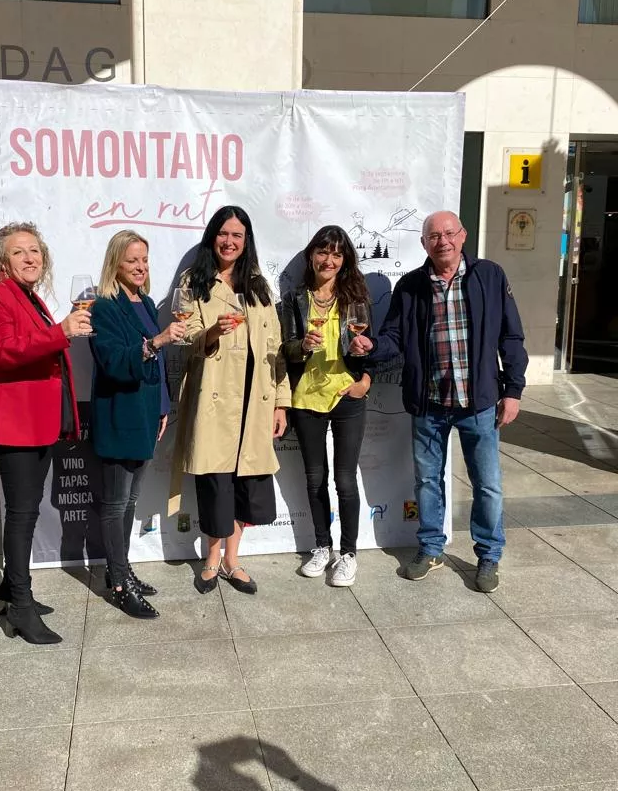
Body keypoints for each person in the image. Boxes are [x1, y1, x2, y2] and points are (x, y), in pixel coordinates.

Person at [350, 210, 528, 593]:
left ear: (462, 236)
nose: (442, 241)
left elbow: (511, 338)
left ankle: (488, 556)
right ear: (424, 243)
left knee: (488, 485)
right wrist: (371, 346)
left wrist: (512, 391)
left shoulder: (490, 276)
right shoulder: (411, 286)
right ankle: (431, 548)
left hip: (478, 402)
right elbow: (394, 337)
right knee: (428, 481)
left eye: (449, 233)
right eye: (434, 235)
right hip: (429, 404)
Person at [0, 222, 91, 644]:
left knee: (29, 511)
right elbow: (2, 352)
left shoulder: (27, 296)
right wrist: (61, 332)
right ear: (1, 259)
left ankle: (10, 588)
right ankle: (19, 604)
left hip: (34, 422)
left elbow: (35, 348)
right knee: (21, 515)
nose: (31, 258)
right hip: (13, 424)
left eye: (35, 251)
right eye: (20, 252)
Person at [170, 205, 291, 594]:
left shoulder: (258, 286)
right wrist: (210, 333)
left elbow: (275, 348)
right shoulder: (195, 281)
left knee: (246, 486)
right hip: (217, 403)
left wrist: (281, 403)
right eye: (224, 234)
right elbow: (184, 337)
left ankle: (234, 561)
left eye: (237, 235)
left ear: (246, 241)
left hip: (254, 403)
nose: (230, 242)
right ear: (213, 237)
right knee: (216, 483)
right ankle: (211, 559)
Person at [89, 230, 186, 618]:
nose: (141, 267)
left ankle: (122, 567)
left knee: (130, 500)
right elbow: (113, 361)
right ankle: (117, 581)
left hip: (145, 416)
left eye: (144, 259)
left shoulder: (144, 302)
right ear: (116, 263)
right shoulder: (104, 307)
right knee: (114, 504)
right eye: (132, 260)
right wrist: (158, 340)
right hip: (119, 415)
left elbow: (157, 366)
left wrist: (163, 408)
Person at [281, 225, 373, 587]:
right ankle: (322, 546)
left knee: (345, 479)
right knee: (315, 478)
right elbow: (286, 348)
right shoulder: (294, 298)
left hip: (346, 396)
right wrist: (302, 345)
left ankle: (348, 554)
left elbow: (370, 349)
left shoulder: (356, 298)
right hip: (306, 396)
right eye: (323, 252)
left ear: (345, 259)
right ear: (311, 256)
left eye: (337, 254)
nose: (329, 260)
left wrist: (364, 383)